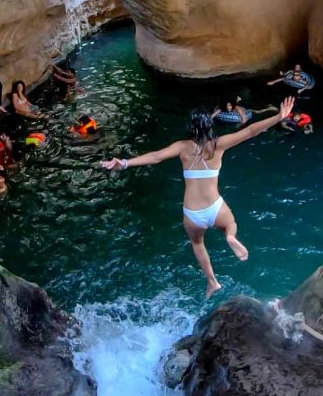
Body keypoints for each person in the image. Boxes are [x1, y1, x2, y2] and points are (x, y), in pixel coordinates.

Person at [101, 96, 295, 298]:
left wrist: (124, 163)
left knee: (197, 243)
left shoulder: (182, 147)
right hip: (215, 207)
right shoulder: (218, 145)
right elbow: (250, 131)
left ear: (191, 127)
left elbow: (156, 157)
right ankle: (230, 237)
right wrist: (279, 116)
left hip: (193, 213)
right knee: (230, 224)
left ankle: (212, 281)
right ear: (209, 126)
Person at [212, 97, 277, 124]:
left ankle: (269, 108)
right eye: (226, 106)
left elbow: (244, 119)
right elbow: (213, 115)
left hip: (246, 112)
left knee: (258, 112)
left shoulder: (237, 109)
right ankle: (237, 99)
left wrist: (239, 125)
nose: (228, 107)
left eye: (229, 105)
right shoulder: (222, 108)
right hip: (235, 108)